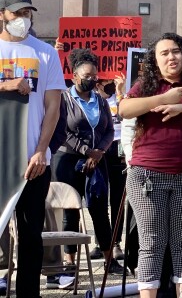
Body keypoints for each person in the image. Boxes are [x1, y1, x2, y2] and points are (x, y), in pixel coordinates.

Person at [118, 32, 182, 298]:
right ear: (155, 60)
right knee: (151, 242)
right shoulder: (145, 86)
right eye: (164, 53)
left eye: (175, 51)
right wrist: (164, 99)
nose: (171, 57)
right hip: (147, 175)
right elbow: (125, 110)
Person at [0, 0, 65, 296]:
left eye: (27, 13)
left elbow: (53, 107)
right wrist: (7, 84)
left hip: (33, 163)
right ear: (2, 15)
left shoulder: (45, 53)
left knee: (30, 237)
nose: (22, 19)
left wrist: (41, 151)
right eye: (16, 13)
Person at [52, 48, 124, 273]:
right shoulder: (64, 98)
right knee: (70, 211)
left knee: (100, 210)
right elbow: (62, 129)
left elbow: (110, 130)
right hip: (68, 160)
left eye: (95, 76)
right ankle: (70, 262)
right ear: (74, 77)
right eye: (87, 77)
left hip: (97, 161)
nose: (92, 80)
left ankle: (109, 258)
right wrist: (86, 151)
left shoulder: (101, 101)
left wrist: (100, 151)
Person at [95, 73, 126, 261]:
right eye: (103, 81)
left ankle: (115, 242)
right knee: (99, 196)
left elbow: (125, 115)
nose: (107, 84)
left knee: (117, 198)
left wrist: (120, 91)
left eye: (110, 81)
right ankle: (101, 242)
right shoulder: (93, 97)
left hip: (119, 148)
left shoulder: (123, 95)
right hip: (99, 149)